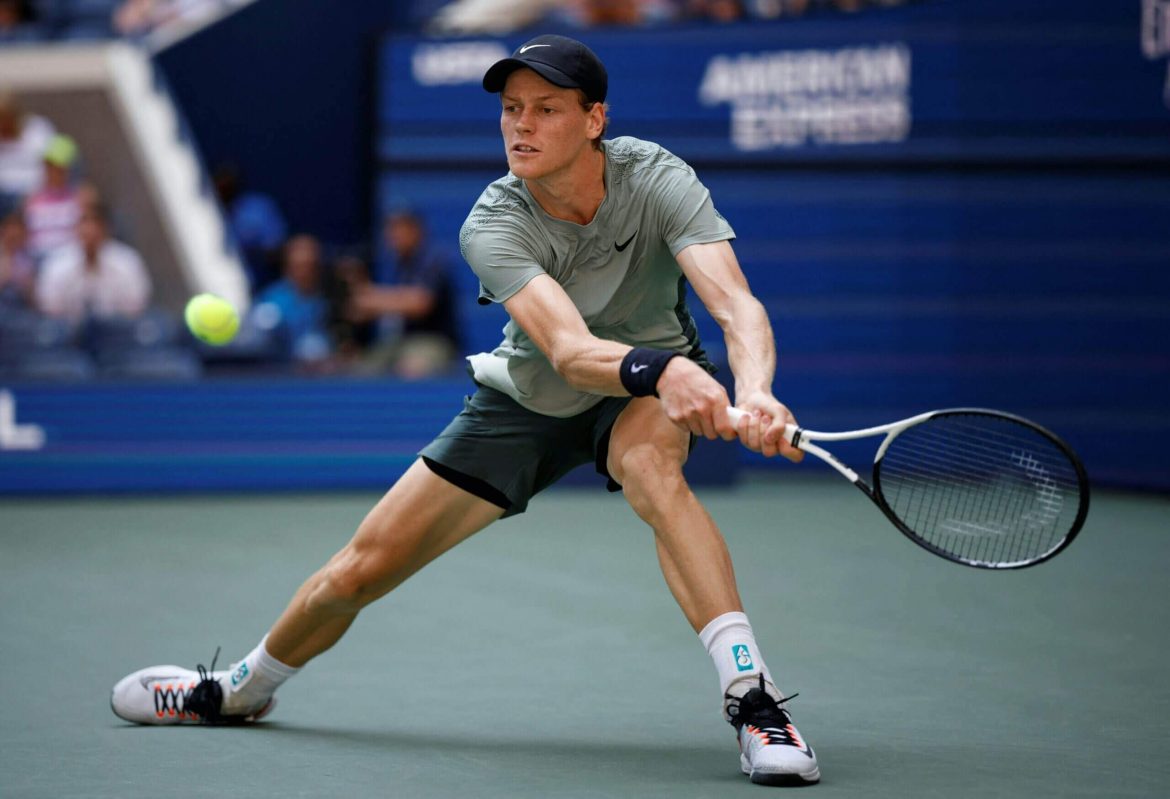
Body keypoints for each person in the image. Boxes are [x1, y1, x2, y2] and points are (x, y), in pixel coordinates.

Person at [109, 35, 820, 787]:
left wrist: (757, 391)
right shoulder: (493, 221)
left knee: (650, 468)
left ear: (594, 119)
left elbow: (735, 304)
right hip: (534, 398)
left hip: (643, 397)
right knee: (359, 570)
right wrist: (663, 369)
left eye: (546, 109)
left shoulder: (657, 177)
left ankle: (754, 701)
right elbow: (570, 351)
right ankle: (237, 690)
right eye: (512, 109)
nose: (522, 125)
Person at [347, 206, 460, 379]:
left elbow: (420, 304)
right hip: (399, 341)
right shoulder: (397, 265)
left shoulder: (433, 261)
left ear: (416, 231)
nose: (394, 236)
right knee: (362, 369)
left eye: (400, 229)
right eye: (390, 229)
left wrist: (371, 299)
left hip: (434, 341)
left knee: (410, 368)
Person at [35, 202, 152, 323]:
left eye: (96, 223)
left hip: (116, 329)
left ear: (107, 229)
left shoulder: (127, 261)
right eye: (84, 222)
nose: (90, 230)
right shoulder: (57, 263)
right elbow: (50, 307)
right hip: (70, 330)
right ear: (76, 228)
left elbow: (136, 306)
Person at [252, 233, 334, 366]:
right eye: (299, 266)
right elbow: (260, 346)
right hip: (281, 372)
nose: (305, 272)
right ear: (287, 266)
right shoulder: (271, 301)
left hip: (328, 373)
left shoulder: (330, 298)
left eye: (311, 265)